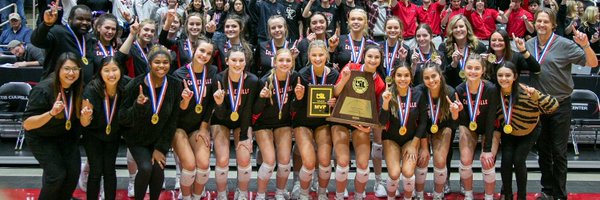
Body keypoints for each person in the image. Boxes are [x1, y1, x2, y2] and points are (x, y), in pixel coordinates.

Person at [525, 7, 598, 200]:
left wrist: (586, 45)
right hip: (538, 106)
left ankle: (560, 193)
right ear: (534, 23)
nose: (541, 25)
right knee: (543, 151)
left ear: (553, 25)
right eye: (538, 21)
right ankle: (547, 190)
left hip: (560, 104)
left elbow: (592, 64)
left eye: (545, 21)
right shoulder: (529, 44)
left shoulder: (564, 44)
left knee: (558, 152)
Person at [119, 45, 183, 200]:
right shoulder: (135, 84)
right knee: (146, 168)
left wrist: (160, 148)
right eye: (157, 62)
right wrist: (137, 106)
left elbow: (173, 120)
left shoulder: (175, 85)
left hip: (158, 138)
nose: (161, 66)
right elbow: (123, 117)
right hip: (136, 138)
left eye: (165, 62)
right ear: (149, 64)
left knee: (158, 169)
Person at [23, 52, 84, 199]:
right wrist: (51, 113)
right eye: (67, 69)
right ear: (58, 70)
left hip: (65, 135)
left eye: (75, 69)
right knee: (56, 175)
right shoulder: (43, 89)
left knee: (73, 173)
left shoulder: (79, 87)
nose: (71, 73)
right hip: (41, 137)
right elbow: (27, 124)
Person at [495, 62, 558, 200]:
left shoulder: (526, 91)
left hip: (529, 130)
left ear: (515, 77)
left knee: (518, 160)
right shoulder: (495, 93)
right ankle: (508, 195)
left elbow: (553, 106)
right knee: (505, 161)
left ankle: (522, 196)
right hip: (509, 131)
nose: (504, 78)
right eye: (500, 75)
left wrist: (536, 96)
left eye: (508, 75)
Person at [332, 44, 386, 200]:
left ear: (380, 60)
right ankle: (339, 195)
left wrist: (368, 128)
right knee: (342, 163)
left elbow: (374, 112)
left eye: (376, 57)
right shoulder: (350, 67)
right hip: (340, 119)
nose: (373, 60)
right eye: (370, 56)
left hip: (360, 124)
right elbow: (335, 92)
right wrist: (346, 79)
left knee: (363, 166)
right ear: (364, 56)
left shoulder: (380, 83)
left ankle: (358, 195)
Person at [210, 46, 259, 200]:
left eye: (241, 60)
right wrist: (218, 103)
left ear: (246, 62)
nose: (237, 64)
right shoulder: (218, 79)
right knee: (223, 159)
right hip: (221, 120)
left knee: (244, 158)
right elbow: (220, 114)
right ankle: (221, 193)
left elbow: (248, 110)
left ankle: (242, 192)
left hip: (242, 122)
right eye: (234, 60)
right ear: (226, 61)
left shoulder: (252, 80)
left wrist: (245, 136)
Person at [171, 38, 218, 200]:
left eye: (208, 53)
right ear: (193, 49)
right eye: (202, 51)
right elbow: (175, 110)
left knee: (204, 165)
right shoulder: (179, 74)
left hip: (199, 125)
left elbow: (211, 103)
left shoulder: (212, 72)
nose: (204, 55)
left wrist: (205, 127)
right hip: (179, 126)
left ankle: (197, 196)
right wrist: (184, 102)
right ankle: (185, 197)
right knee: (190, 165)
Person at [292, 40, 339, 199]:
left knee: (325, 162)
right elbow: (294, 107)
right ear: (308, 56)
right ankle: (304, 194)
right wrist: (298, 98)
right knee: (310, 162)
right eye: (314, 55)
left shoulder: (334, 74)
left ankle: (321, 193)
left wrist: (334, 103)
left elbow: (340, 102)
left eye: (321, 55)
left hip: (323, 122)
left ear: (326, 54)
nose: (318, 58)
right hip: (303, 122)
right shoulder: (301, 74)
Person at [253, 49, 300, 200]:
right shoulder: (265, 81)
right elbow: (255, 110)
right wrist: (261, 98)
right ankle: (260, 194)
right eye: (281, 60)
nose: (285, 64)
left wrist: (298, 97)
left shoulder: (295, 78)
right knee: (269, 161)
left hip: (283, 123)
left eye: (288, 60)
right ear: (274, 62)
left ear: (292, 63)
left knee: (285, 161)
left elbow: (296, 106)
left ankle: (280, 192)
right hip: (264, 124)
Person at [378, 63, 428, 200]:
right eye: (399, 75)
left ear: (411, 78)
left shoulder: (418, 94)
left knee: (407, 172)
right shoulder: (386, 94)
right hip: (390, 138)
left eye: (406, 75)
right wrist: (386, 103)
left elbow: (423, 122)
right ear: (393, 77)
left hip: (410, 139)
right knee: (394, 174)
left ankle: (408, 197)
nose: (402, 79)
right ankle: (391, 197)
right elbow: (382, 122)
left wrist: (414, 145)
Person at [454, 53, 499, 200]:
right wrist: (460, 111)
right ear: (464, 69)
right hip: (469, 126)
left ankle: (489, 196)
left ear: (483, 70)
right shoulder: (460, 90)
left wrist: (486, 150)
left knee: (487, 160)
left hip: (489, 126)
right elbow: (463, 121)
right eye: (470, 67)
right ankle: (468, 194)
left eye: (477, 68)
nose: (473, 71)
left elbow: (491, 119)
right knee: (466, 160)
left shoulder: (491, 89)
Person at [80, 57, 126, 200]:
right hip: (93, 134)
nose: (111, 74)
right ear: (100, 72)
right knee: (96, 170)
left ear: (120, 71)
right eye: (106, 70)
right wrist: (86, 116)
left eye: (114, 70)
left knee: (110, 170)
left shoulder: (126, 85)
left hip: (113, 134)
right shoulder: (91, 89)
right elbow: (84, 123)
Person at [414, 63, 460, 200]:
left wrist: (455, 113)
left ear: (440, 75)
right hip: (422, 128)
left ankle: (438, 194)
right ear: (422, 79)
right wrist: (423, 147)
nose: (431, 80)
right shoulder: (418, 92)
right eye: (426, 78)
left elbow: (454, 124)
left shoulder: (450, 92)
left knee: (440, 161)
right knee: (422, 159)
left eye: (433, 76)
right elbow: (418, 122)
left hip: (442, 127)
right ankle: (419, 194)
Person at [31, 4, 95, 82]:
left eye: (88, 20)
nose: (85, 22)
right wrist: (46, 25)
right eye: (80, 19)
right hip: (56, 88)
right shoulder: (57, 32)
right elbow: (37, 41)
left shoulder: (90, 38)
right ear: (70, 19)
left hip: (81, 90)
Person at [439, 15, 487, 87]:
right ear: (451, 30)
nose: (458, 30)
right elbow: (443, 76)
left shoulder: (479, 47)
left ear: (467, 28)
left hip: (476, 89)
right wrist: (454, 64)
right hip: (452, 88)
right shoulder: (444, 47)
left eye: (461, 26)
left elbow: (485, 74)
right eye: (455, 27)